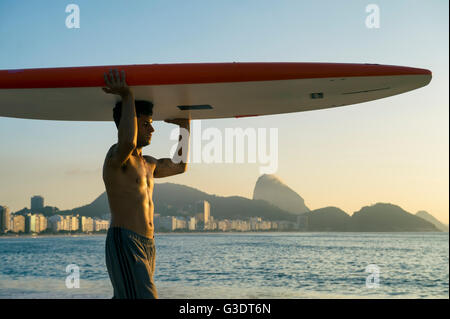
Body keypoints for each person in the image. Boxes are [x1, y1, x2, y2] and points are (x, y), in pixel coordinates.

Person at [101, 69, 190, 299]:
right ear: (129, 122)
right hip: (125, 241)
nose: (152, 129)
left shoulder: (148, 164)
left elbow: (179, 166)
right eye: (147, 123)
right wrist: (127, 96)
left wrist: (185, 127)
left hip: (148, 244)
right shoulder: (117, 159)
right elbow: (127, 142)